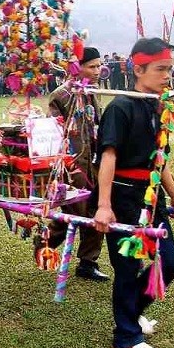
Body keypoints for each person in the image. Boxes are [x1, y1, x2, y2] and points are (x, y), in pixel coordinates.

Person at [93, 37, 174, 348]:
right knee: (128, 268)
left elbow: (160, 158)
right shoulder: (120, 107)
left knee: (169, 263)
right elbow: (108, 157)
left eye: (169, 70)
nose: (167, 76)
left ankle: (133, 311)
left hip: (152, 196)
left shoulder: (159, 106)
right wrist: (104, 206)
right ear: (138, 68)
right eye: (160, 69)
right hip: (122, 198)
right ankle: (126, 336)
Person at [44, 47, 108, 281]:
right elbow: (52, 131)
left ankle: (88, 262)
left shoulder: (93, 91)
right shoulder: (61, 94)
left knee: (95, 211)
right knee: (74, 212)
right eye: (92, 66)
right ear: (77, 67)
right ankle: (45, 243)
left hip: (95, 161)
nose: (97, 70)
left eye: (99, 65)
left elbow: (98, 124)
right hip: (71, 165)